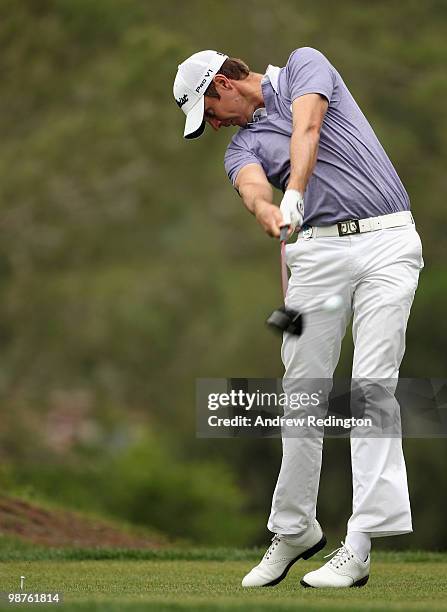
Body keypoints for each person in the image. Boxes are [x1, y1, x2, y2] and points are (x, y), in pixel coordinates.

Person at [173, 47, 423, 588]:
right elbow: (252, 186)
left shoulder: (305, 64)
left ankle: (358, 546)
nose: (214, 127)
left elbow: (308, 125)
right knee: (303, 392)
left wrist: (297, 192)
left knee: (371, 388)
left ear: (224, 83)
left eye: (209, 112)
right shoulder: (240, 145)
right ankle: (293, 529)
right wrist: (268, 210)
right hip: (315, 256)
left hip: (388, 242)